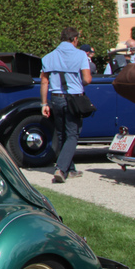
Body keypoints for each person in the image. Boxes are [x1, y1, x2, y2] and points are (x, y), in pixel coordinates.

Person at [40, 26, 93, 184]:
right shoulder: (81, 55)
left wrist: (44, 103)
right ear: (75, 39)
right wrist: (78, 82)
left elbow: (44, 82)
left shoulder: (48, 57)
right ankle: (61, 168)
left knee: (61, 134)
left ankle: (70, 169)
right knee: (72, 134)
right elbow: (87, 79)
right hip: (73, 98)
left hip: (56, 97)